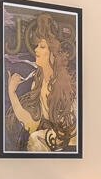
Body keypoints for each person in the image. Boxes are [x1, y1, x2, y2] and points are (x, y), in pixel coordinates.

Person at [5, 13, 79, 152]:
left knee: (34, 139)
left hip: (69, 146)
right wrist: (12, 93)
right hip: (53, 145)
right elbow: (31, 124)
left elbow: (65, 132)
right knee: (33, 138)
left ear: (53, 53)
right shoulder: (38, 81)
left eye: (42, 47)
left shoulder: (62, 84)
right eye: (37, 45)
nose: (36, 50)